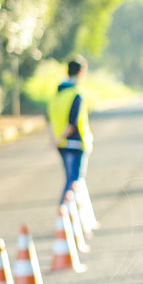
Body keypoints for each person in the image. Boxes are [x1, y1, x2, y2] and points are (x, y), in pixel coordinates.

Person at [47, 57, 93, 205]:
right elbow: (72, 123)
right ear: (80, 73)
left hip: (61, 144)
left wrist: (55, 139)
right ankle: (64, 216)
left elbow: (49, 118)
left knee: (70, 179)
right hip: (76, 142)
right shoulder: (77, 93)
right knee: (74, 181)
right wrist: (60, 138)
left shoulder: (56, 94)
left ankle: (73, 220)